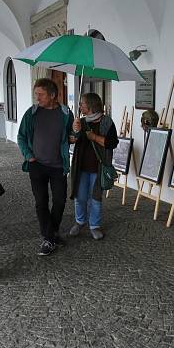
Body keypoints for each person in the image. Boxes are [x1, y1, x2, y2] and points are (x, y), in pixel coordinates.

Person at [17, 78, 75, 256]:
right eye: (36, 94)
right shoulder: (32, 113)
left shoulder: (66, 114)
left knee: (59, 201)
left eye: (40, 94)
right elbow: (21, 137)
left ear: (52, 95)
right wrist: (30, 157)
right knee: (41, 202)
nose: (37, 98)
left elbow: (72, 137)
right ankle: (49, 237)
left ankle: (52, 233)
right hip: (37, 165)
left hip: (59, 166)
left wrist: (76, 133)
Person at [67, 93, 118, 240]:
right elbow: (71, 140)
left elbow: (112, 143)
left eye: (82, 103)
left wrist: (94, 137)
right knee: (80, 197)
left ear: (90, 105)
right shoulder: (80, 122)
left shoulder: (107, 122)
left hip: (99, 167)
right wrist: (75, 131)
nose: (80, 106)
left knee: (96, 198)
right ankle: (80, 222)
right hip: (81, 167)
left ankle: (94, 225)